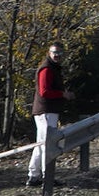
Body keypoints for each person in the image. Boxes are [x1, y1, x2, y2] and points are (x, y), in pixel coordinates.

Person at [27, 42, 75, 186]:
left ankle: (33, 176)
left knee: (41, 143)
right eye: (54, 53)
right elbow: (44, 92)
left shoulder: (54, 68)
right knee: (47, 145)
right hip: (45, 111)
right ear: (49, 53)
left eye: (59, 54)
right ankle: (46, 176)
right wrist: (63, 94)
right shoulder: (47, 69)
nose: (57, 56)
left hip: (48, 111)